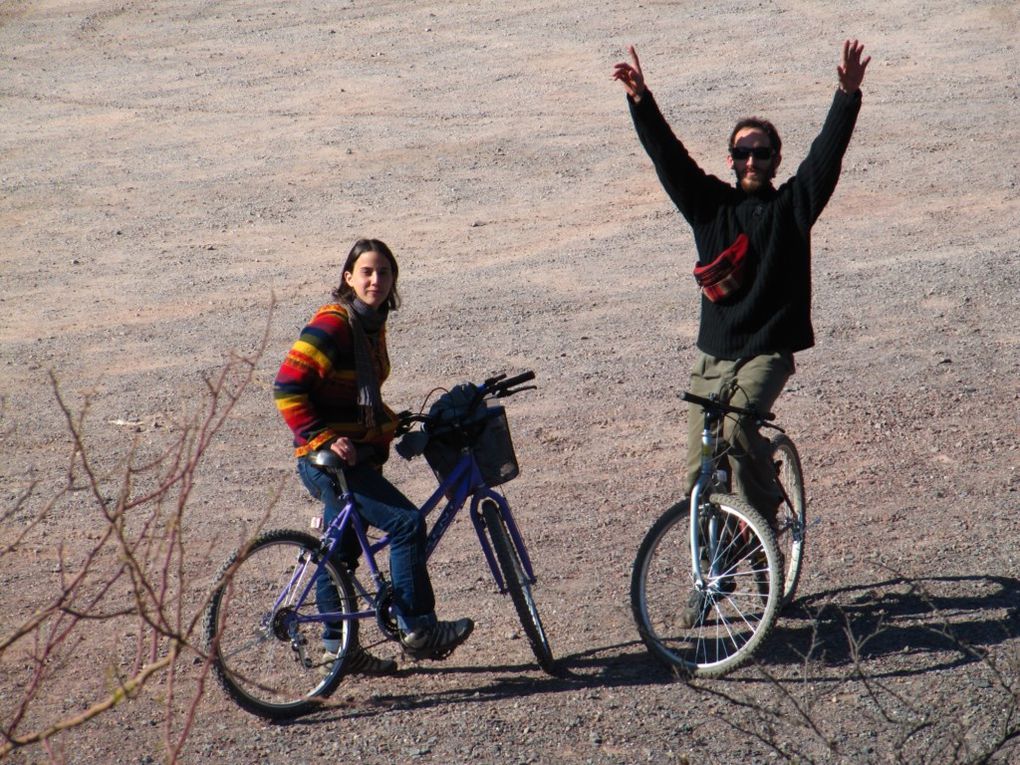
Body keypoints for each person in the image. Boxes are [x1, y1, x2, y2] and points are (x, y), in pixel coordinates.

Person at [613, 41, 869, 576]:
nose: (752, 161)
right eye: (743, 153)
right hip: (713, 356)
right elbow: (670, 160)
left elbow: (826, 156)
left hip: (766, 352)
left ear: (776, 159)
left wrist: (846, 95)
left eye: (762, 153)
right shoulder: (711, 207)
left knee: (733, 433)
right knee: (698, 474)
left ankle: (765, 516)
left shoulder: (792, 208)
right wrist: (642, 101)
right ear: (730, 161)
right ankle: (710, 575)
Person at [274, 238, 474, 675]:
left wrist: (389, 423)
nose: (375, 280)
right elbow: (287, 387)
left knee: (339, 552)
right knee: (406, 523)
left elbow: (356, 395)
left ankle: (337, 649)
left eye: (384, 273)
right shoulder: (334, 324)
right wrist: (323, 438)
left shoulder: (369, 326)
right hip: (327, 461)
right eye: (366, 272)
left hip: (352, 456)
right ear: (348, 278)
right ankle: (419, 629)